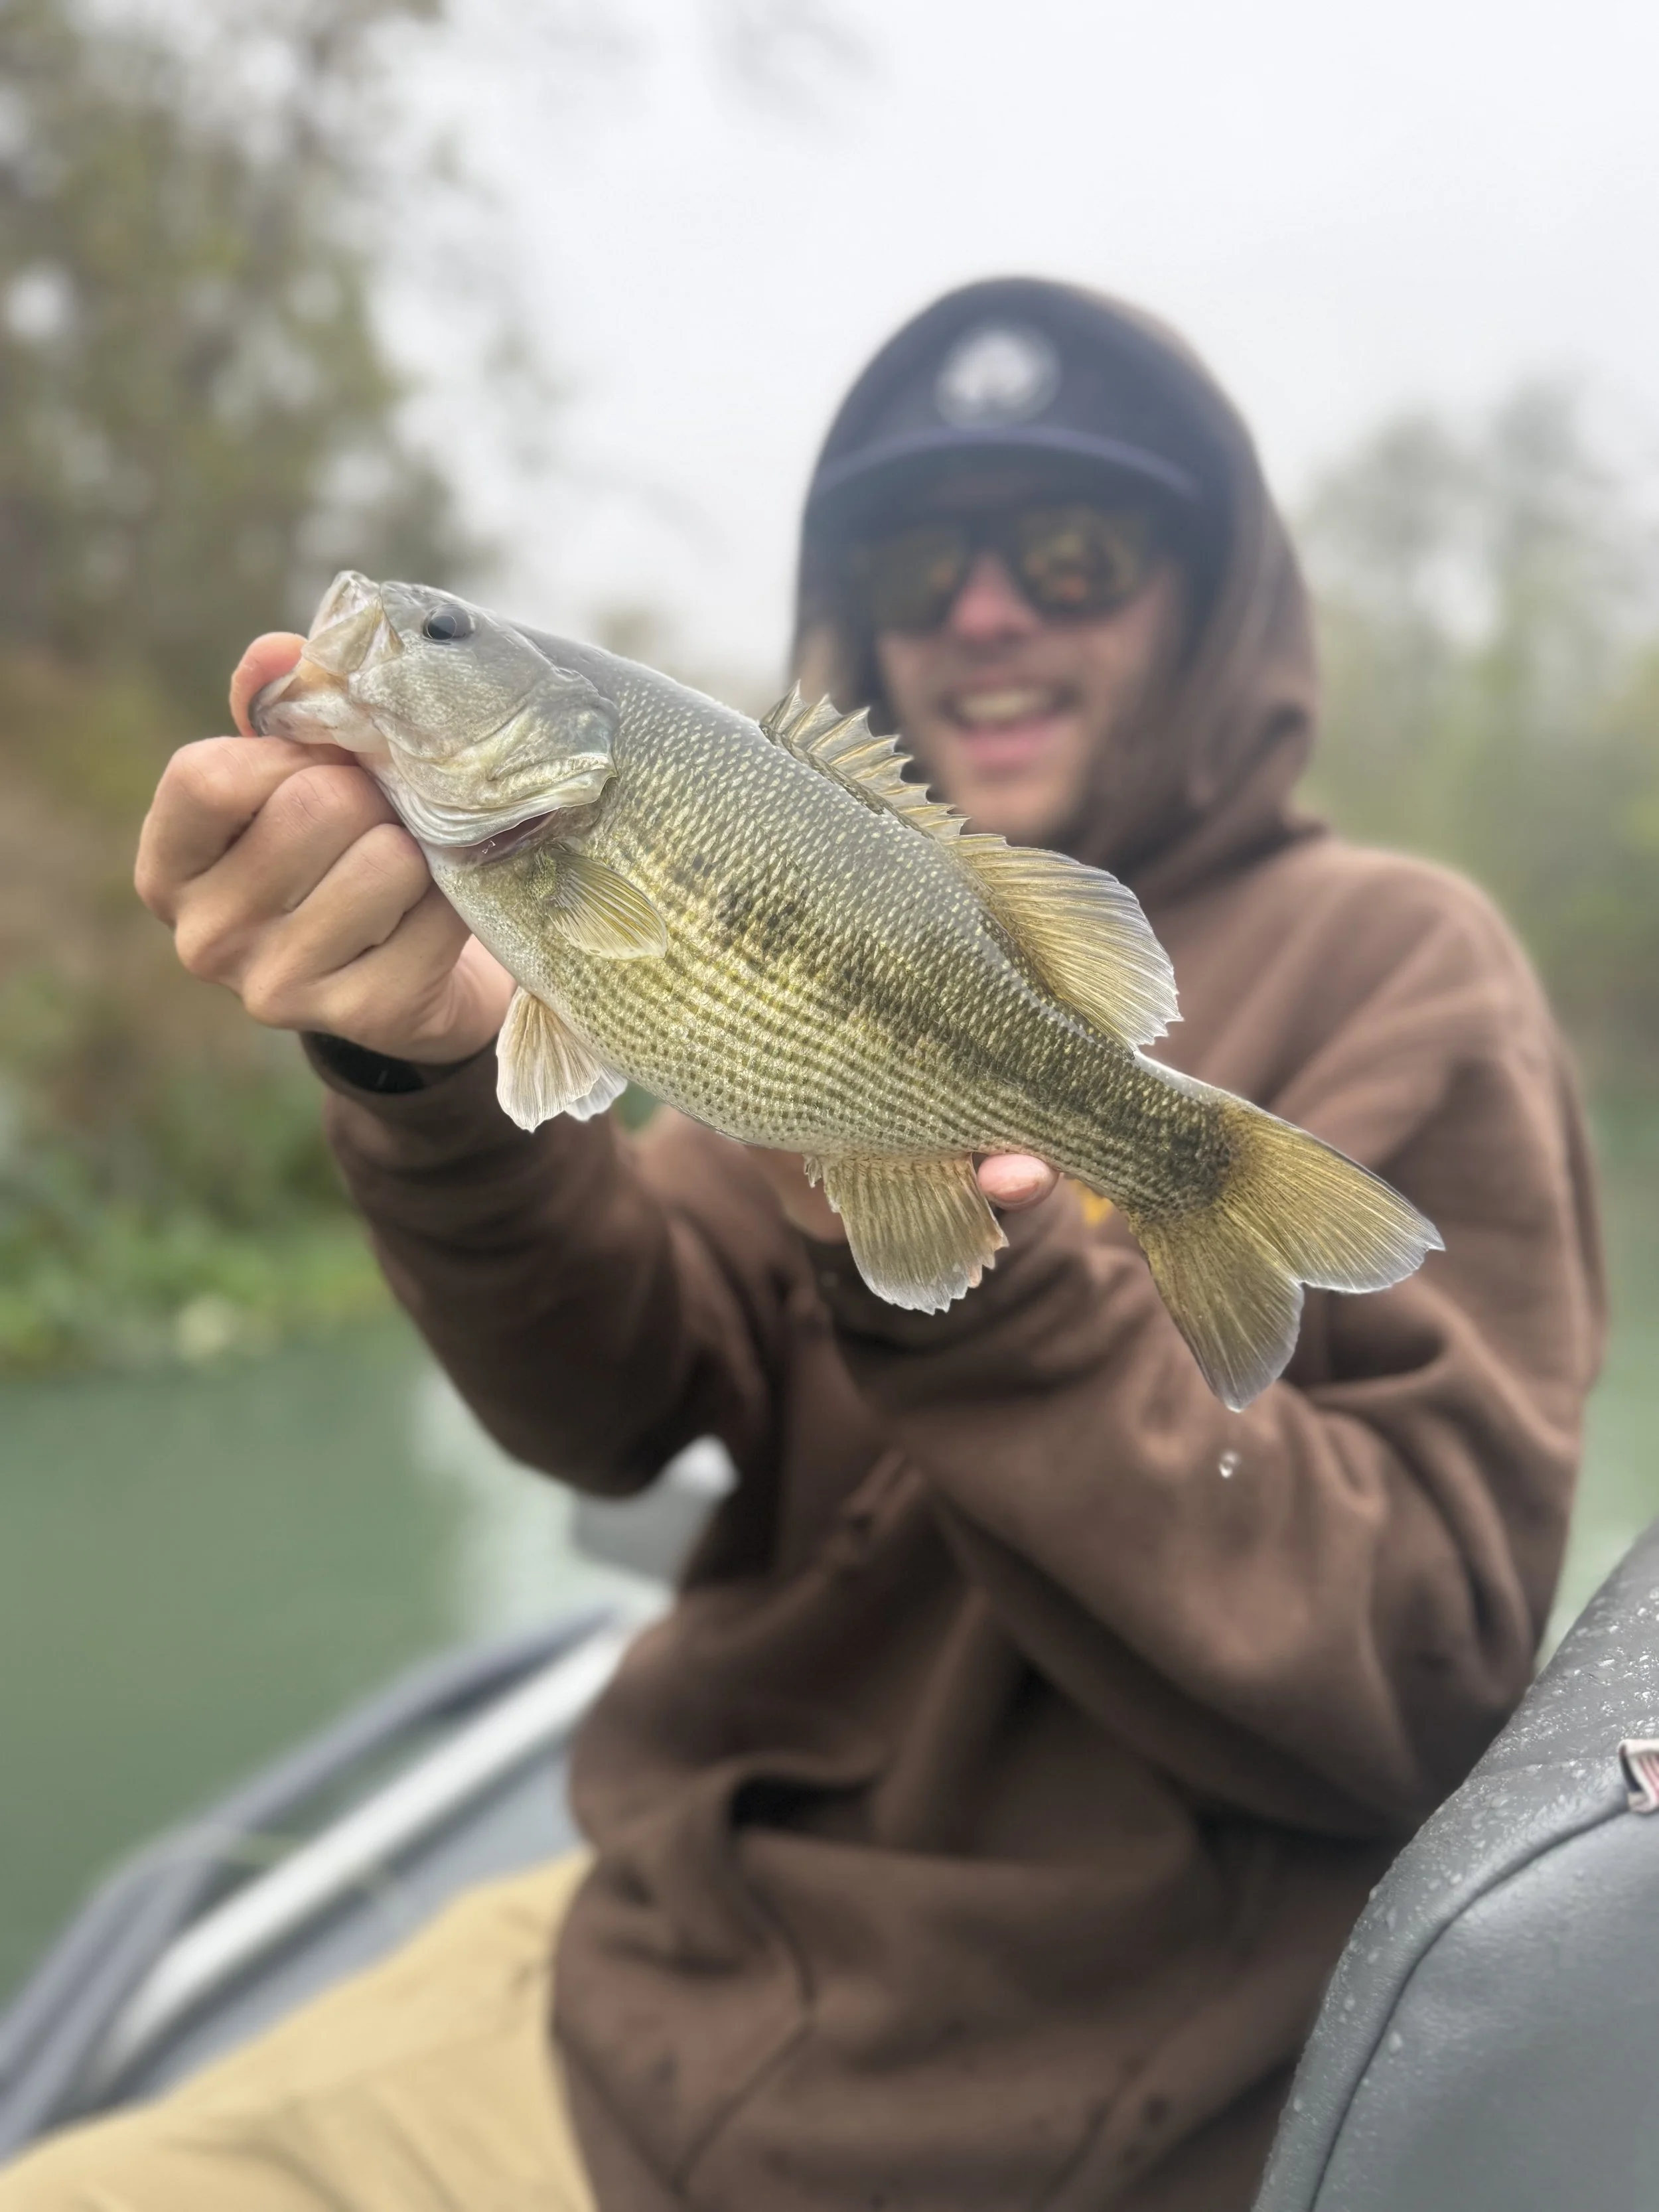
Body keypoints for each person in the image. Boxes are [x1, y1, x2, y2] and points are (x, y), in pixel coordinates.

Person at [1, 279, 1605, 2210]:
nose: (983, 613)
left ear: (1209, 598)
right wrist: (422, 1085)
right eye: (919, 563)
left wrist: (993, 1279)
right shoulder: (768, 863)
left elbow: (1421, 1680)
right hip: (637, 1983)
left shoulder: (1403, 965)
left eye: (1071, 554)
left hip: (1053, 2134)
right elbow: (615, 1399)